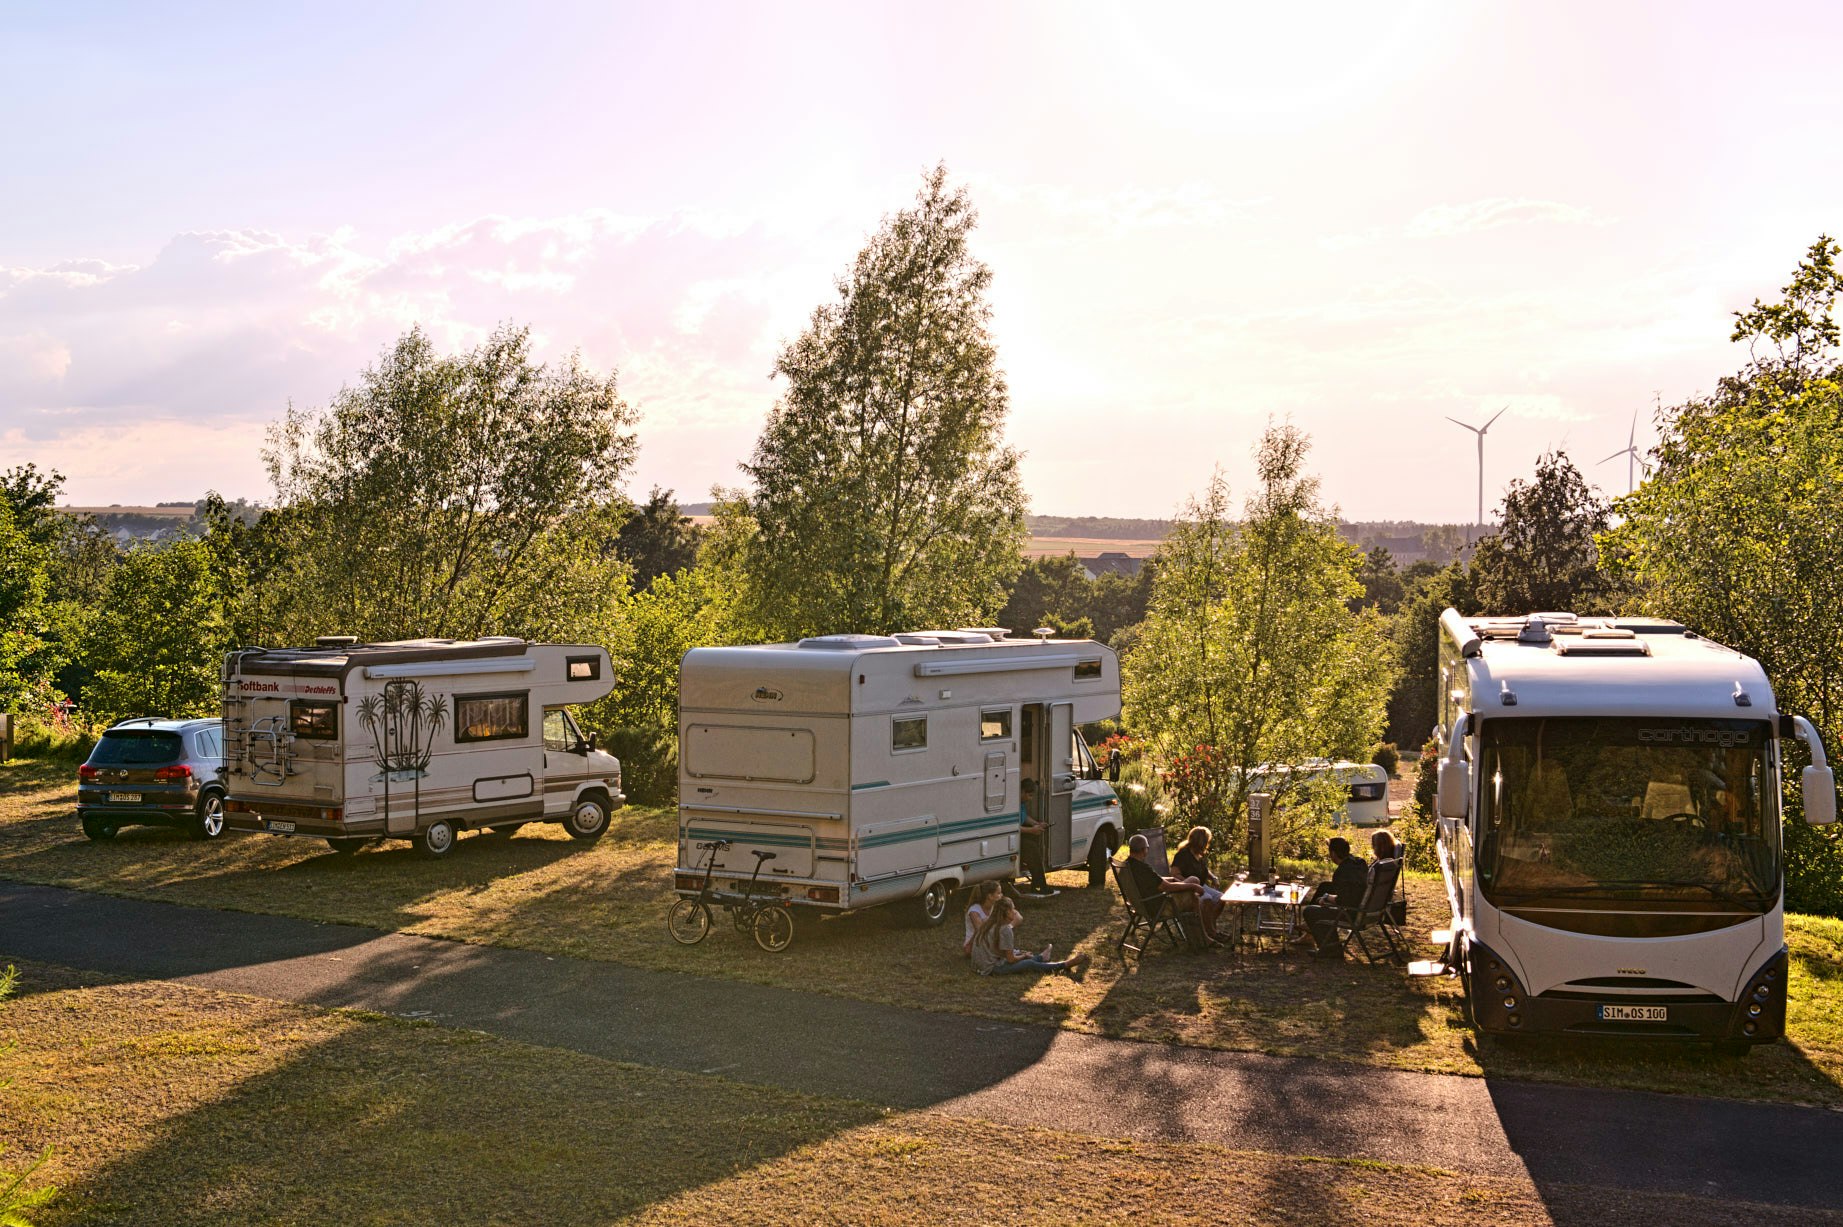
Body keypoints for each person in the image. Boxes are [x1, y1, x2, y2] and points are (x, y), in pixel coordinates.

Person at [970, 896, 1090, 980]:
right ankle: (1063, 965)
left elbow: (998, 950)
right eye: (1013, 909)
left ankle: (1042, 957)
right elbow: (1010, 960)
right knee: (1029, 963)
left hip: (979, 966)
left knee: (1020, 954)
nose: (1015, 912)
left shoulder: (987, 923)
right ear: (1006, 912)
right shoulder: (1005, 929)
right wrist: (1023, 956)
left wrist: (1019, 954)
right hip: (991, 968)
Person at [1119, 833, 1208, 944]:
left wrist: (1173, 879)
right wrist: (1193, 887)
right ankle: (1202, 937)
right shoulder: (1142, 868)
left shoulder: (1128, 865)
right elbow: (1167, 887)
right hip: (1159, 907)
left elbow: (1157, 880)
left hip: (1142, 905)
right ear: (1144, 850)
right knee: (1193, 896)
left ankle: (1198, 935)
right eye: (1147, 848)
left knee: (1194, 879)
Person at [1300, 836, 1369, 956]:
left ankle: (1331, 950)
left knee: (1310, 911)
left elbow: (1343, 901)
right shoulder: (1359, 862)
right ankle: (1310, 931)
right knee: (1325, 886)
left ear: (1333, 853)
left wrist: (1326, 898)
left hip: (1353, 913)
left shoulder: (1341, 872)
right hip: (1366, 907)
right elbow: (1351, 891)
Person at [1171, 826, 1228, 942]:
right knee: (1207, 899)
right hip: (1189, 888)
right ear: (1201, 841)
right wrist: (1188, 885)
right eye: (1206, 841)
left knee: (1222, 898)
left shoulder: (1199, 854)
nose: (1208, 843)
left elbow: (1205, 871)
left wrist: (1213, 877)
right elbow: (1174, 874)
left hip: (1202, 886)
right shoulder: (1183, 855)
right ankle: (1211, 932)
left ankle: (1209, 927)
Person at [1016, 778, 1057, 898]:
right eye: (1029, 795)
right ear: (1022, 791)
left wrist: (1036, 824)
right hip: (1014, 838)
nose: (1030, 799)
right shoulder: (1013, 803)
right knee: (1032, 849)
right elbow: (1013, 827)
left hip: (1021, 834)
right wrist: (1031, 830)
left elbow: (1024, 817)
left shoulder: (1021, 804)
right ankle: (1040, 885)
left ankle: (1038, 883)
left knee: (1035, 849)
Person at [963, 880, 1003, 958]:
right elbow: (980, 931)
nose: (1001, 895)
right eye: (998, 893)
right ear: (990, 896)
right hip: (974, 941)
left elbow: (1018, 918)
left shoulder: (995, 906)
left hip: (989, 939)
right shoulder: (974, 910)